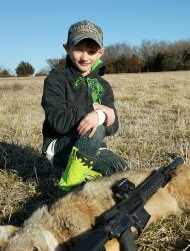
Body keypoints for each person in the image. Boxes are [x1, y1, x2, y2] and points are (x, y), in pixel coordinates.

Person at [41, 20, 128, 191]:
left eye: (91, 51)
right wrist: (94, 109)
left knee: (122, 169)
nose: (85, 57)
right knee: (94, 127)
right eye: (79, 49)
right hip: (59, 147)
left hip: (93, 147)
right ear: (67, 48)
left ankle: (85, 178)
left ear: (100, 53)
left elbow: (113, 125)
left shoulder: (104, 86)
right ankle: (69, 186)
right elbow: (59, 122)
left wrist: (101, 115)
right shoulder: (56, 79)